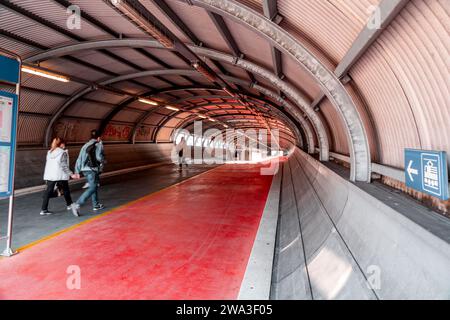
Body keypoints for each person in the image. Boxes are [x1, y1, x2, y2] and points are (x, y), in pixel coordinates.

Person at [40, 137, 79, 216]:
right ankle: (69, 205)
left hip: (50, 174)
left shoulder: (50, 152)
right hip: (60, 174)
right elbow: (63, 165)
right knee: (65, 190)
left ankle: (43, 209)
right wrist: (71, 174)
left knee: (48, 191)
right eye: (64, 143)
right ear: (61, 144)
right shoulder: (62, 152)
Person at [72, 130, 105, 214]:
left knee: (94, 185)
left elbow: (79, 159)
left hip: (85, 169)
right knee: (93, 187)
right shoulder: (98, 144)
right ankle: (77, 204)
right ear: (98, 137)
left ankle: (96, 204)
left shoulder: (85, 145)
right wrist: (104, 160)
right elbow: (98, 157)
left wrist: (77, 171)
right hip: (92, 169)